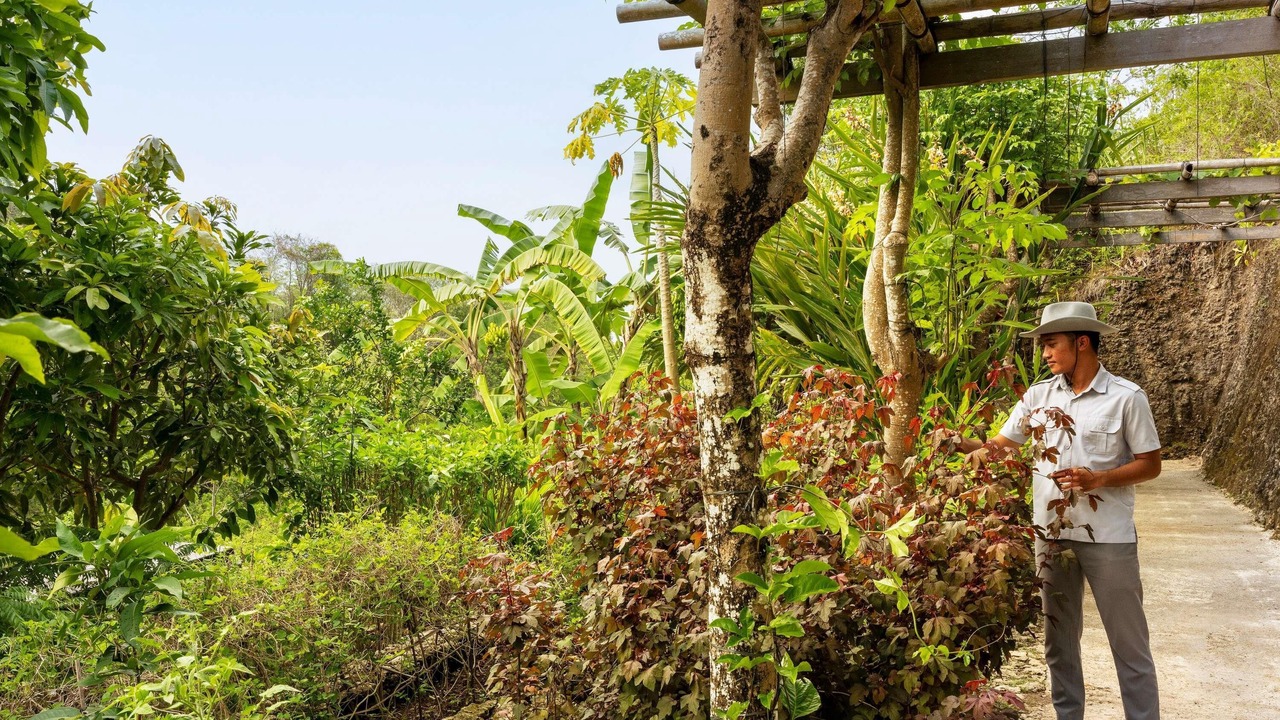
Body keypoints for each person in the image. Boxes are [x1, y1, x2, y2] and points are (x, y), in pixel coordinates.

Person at [956, 301, 1162, 720]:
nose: (1045, 354)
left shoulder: (1126, 397)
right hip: (1050, 537)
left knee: (1129, 644)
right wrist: (955, 442)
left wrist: (1098, 479)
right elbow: (1000, 448)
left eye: (1051, 344)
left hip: (1109, 539)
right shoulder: (1037, 397)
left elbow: (1151, 464)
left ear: (1081, 342)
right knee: (1059, 644)